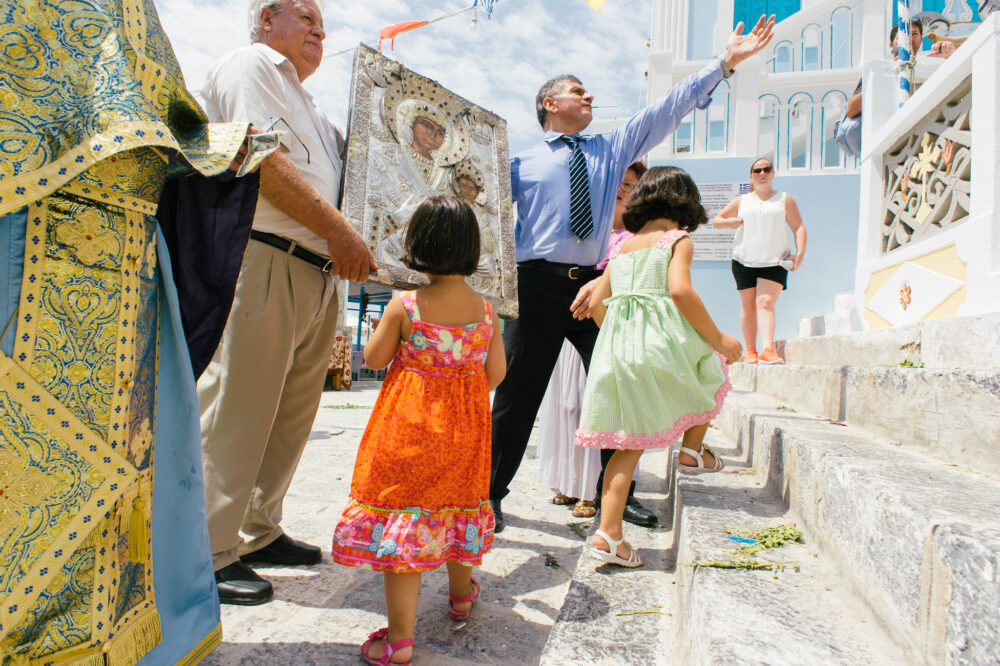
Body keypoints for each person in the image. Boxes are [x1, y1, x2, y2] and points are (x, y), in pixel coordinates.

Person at [0, 1, 259, 662]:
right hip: (24, 238)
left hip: (127, 261)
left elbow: (163, 115)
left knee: (122, 467)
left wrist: (217, 147)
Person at [489, 15, 776, 533]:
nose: (589, 96)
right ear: (550, 103)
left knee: (622, 382)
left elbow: (667, 108)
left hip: (596, 285)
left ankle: (615, 501)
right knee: (517, 396)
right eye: (578, 91)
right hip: (534, 285)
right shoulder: (516, 164)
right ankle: (488, 497)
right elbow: (483, 216)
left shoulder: (612, 147)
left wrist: (723, 63)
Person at [198, 0, 377, 605]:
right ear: (267, 19)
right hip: (266, 255)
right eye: (305, 17)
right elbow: (261, 160)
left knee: (291, 415)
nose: (319, 29)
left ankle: (257, 530)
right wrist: (340, 231)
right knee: (237, 407)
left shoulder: (315, 108)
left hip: (321, 271)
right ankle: (205, 548)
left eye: (322, 23)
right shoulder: (251, 66)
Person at [331, 196, 505, 666]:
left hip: (408, 431)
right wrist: (460, 384)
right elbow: (496, 374)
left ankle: (400, 641)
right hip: (465, 435)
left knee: (405, 524)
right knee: (459, 510)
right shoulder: (486, 312)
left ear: (418, 245)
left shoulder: (405, 305)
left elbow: (373, 359)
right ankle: (461, 598)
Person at [576, 167, 742, 567]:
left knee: (627, 445)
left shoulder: (622, 249)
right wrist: (718, 338)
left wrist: (621, 336)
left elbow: (596, 305)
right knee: (712, 367)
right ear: (686, 202)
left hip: (617, 352)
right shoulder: (677, 240)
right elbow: (680, 291)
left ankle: (608, 533)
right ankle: (691, 450)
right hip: (658, 346)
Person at [541, 163, 647, 520]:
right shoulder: (587, 229)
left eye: (630, 185)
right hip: (571, 325)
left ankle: (594, 490)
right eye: (618, 182)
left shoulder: (637, 236)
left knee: (598, 408)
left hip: (608, 331)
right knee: (567, 407)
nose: (622, 190)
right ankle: (569, 483)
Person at [713, 158, 806, 365]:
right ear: (751, 176)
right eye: (757, 170)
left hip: (775, 260)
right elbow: (717, 220)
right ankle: (750, 351)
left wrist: (800, 253)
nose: (762, 173)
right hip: (743, 259)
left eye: (766, 169)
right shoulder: (742, 201)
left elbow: (798, 227)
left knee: (765, 302)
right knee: (748, 307)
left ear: (772, 173)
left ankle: (767, 350)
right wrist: (729, 222)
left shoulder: (784, 199)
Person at [838, 18, 954, 157]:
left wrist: (950, 57)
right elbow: (851, 110)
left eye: (914, 34)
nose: (908, 38)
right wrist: (886, 80)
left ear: (921, 41)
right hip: (888, 145)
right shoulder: (880, 71)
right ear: (891, 45)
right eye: (902, 34)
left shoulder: (928, 68)